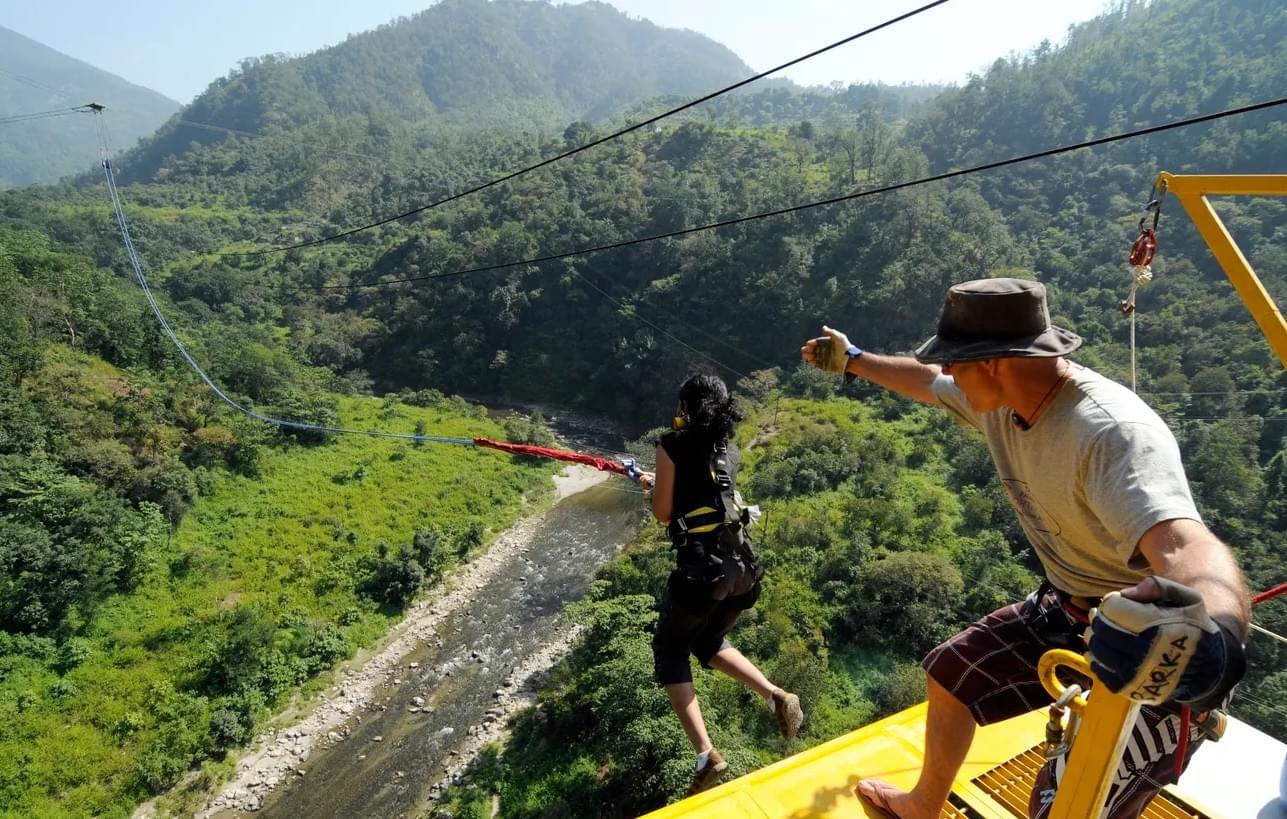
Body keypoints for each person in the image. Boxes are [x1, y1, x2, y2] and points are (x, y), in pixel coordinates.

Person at [799, 278, 1248, 819]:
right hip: (1072, 606)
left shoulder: (1110, 434)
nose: (951, 375)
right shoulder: (1004, 398)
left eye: (958, 364)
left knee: (1066, 805)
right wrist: (853, 359)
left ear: (991, 363)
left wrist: (1214, 640)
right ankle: (922, 805)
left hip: (1149, 653)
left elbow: (1186, 545)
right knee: (952, 675)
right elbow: (928, 383)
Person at [635, 373, 804, 795]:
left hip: (703, 572)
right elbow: (709, 496)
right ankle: (776, 695)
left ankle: (706, 754)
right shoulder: (727, 449)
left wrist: (650, 489)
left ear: (686, 407)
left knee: (671, 650)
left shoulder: (669, 444)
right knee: (707, 642)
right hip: (743, 571)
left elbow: (662, 512)